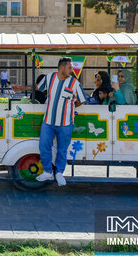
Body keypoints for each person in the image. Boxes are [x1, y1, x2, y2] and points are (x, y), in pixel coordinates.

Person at [13, 57, 86, 186]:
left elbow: (82, 100)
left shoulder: (74, 83)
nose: (71, 70)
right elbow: (37, 87)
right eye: (69, 67)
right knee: (44, 146)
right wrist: (21, 88)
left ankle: (59, 173)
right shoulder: (50, 77)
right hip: (48, 121)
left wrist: (71, 107)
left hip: (65, 124)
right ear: (61, 67)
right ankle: (47, 172)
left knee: (62, 150)